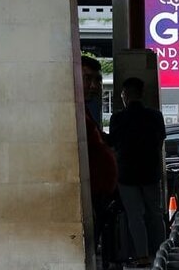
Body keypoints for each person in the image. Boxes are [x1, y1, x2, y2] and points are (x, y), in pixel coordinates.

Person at [107, 77, 166, 266]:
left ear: (124, 95)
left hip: (126, 174)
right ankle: (160, 251)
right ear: (142, 94)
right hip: (150, 172)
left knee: (135, 215)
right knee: (155, 213)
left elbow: (112, 142)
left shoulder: (118, 118)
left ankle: (141, 255)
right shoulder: (156, 116)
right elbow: (160, 139)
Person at [81, 55, 117, 249]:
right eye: (88, 79)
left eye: (97, 80)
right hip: (89, 196)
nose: (94, 86)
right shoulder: (72, 113)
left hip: (99, 195)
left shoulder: (84, 112)